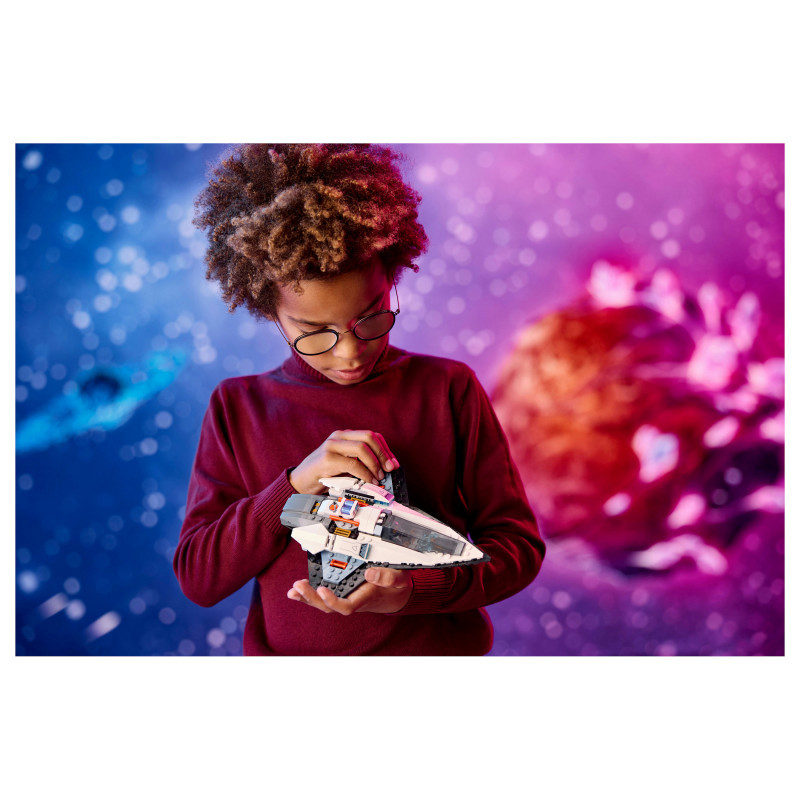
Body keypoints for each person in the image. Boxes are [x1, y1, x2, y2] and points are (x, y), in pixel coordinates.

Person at [174, 143, 545, 655]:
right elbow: (199, 578)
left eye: (371, 317)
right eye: (314, 332)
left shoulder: (448, 388)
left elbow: (518, 549)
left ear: (392, 277)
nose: (350, 352)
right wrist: (294, 487)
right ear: (268, 310)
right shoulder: (237, 408)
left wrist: (414, 591)